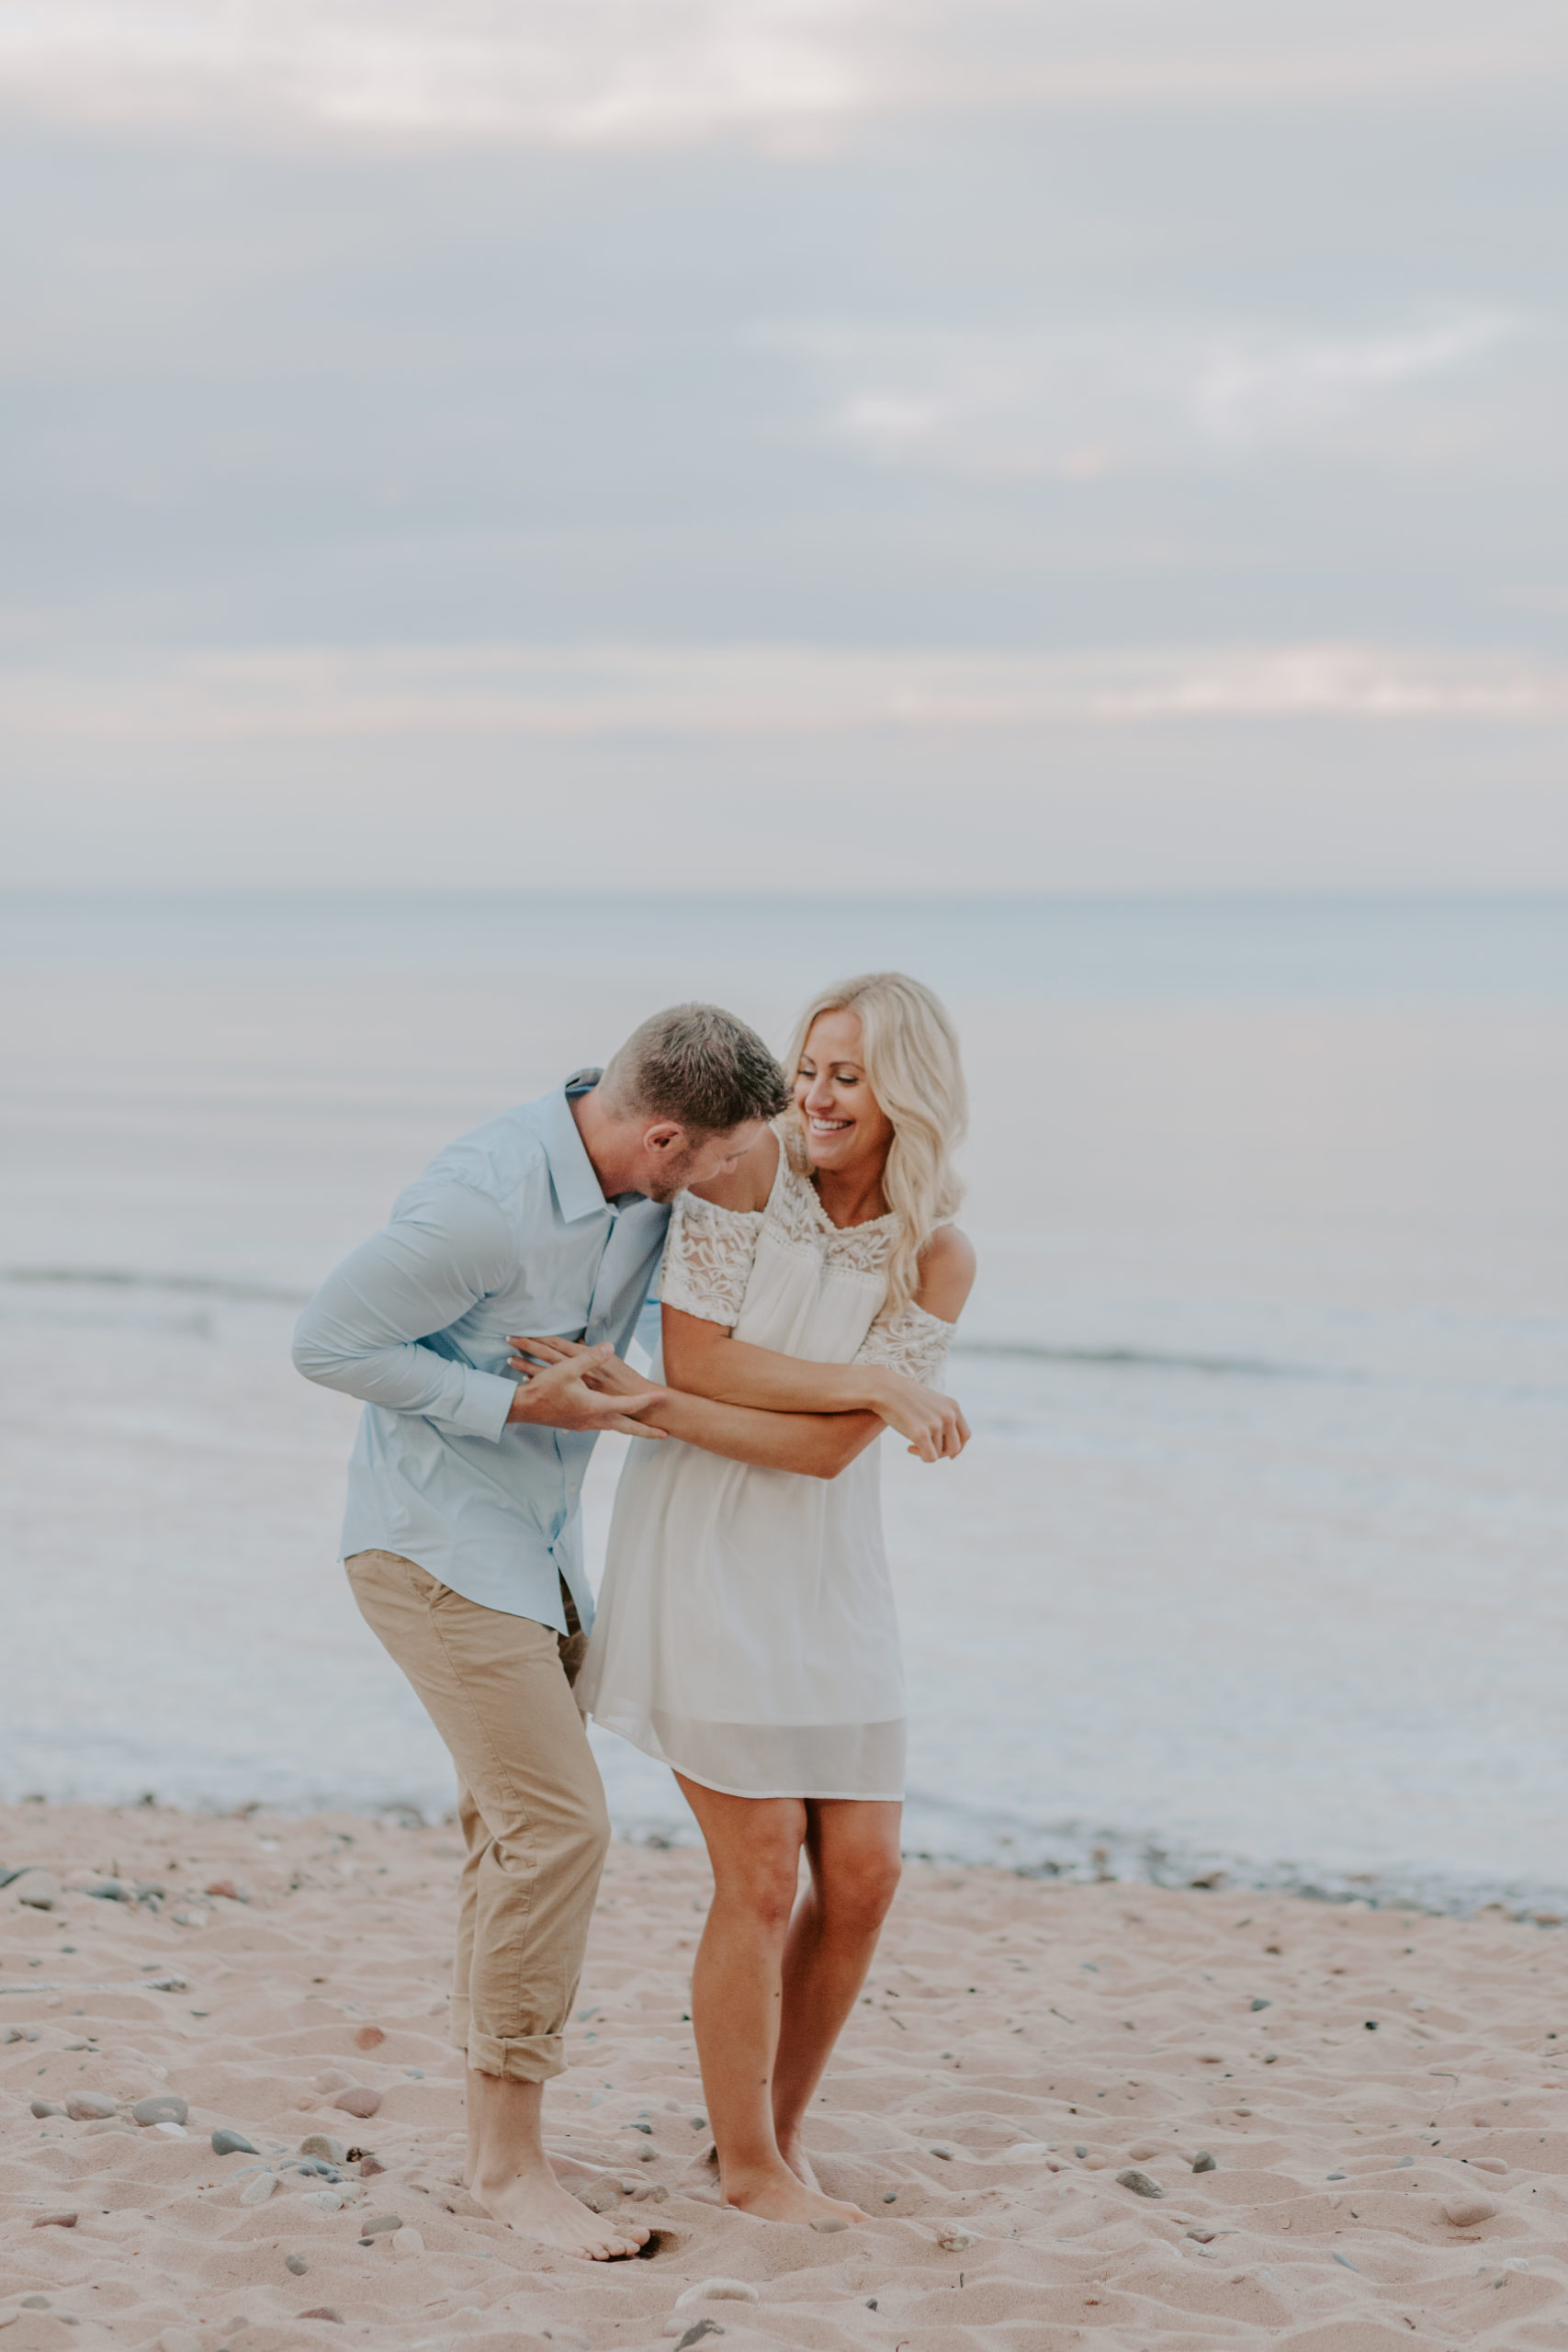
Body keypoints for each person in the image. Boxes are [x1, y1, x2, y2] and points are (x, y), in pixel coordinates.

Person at [291, 1003, 908, 2259]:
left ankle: (495, 2139)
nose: (742, 1178)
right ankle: (506, 2171)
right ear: (668, 1137)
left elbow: (746, 1305)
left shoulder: (650, 1180)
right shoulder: (482, 1200)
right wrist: (513, 1402)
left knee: (506, 1836)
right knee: (556, 1829)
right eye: (728, 1159)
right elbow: (330, 1341)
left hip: (547, 1560)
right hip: (432, 1547)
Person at [536, 972, 976, 2226]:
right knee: (765, 1866)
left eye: (853, 1074)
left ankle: (777, 2136)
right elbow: (705, 1355)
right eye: (812, 1067)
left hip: (829, 1569)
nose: (820, 1095)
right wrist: (869, 1385)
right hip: (704, 1547)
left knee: (871, 1872)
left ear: (911, 1093)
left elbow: (828, 1449)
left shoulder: (937, 1252)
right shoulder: (744, 1174)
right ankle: (747, 2168)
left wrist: (671, 1414)